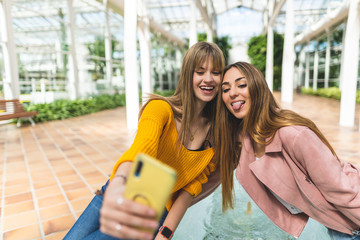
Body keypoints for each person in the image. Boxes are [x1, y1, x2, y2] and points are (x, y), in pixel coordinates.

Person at [64, 41, 225, 240]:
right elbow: (141, 150)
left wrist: (165, 234)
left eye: (216, 72)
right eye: (200, 71)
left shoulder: (215, 135)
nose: (208, 79)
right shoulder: (160, 109)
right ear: (187, 75)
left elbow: (190, 189)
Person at [215, 61, 360, 239]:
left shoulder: (294, 135)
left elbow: (340, 190)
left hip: (353, 223)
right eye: (225, 89)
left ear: (258, 88)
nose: (232, 93)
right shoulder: (245, 140)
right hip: (338, 225)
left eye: (242, 85)